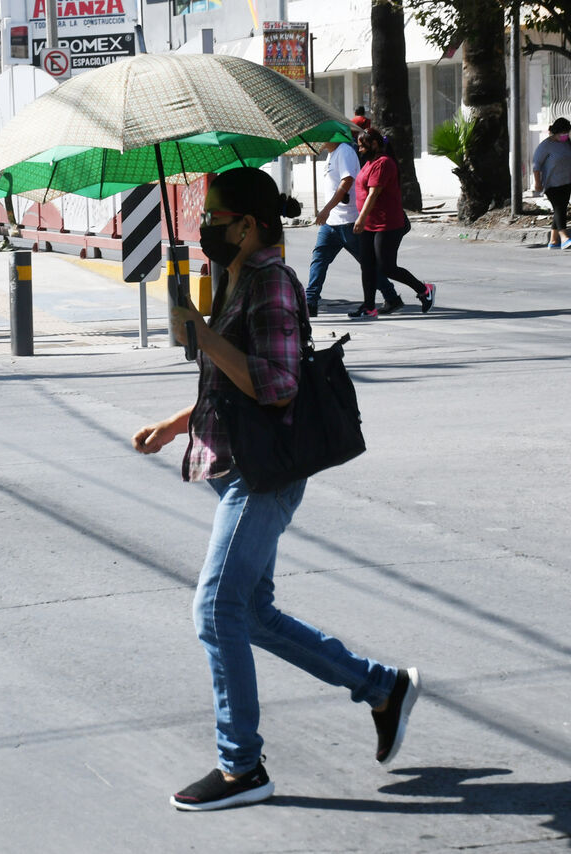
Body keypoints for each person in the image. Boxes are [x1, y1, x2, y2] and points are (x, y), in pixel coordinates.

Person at [131, 167, 420, 812]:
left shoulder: (272, 283)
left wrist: (202, 336)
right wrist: (176, 421)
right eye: (205, 215)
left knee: (215, 611)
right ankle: (382, 688)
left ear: (253, 223)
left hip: (264, 475)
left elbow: (278, 384)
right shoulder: (235, 278)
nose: (207, 226)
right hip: (234, 463)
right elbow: (229, 383)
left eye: (218, 216)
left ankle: (241, 767)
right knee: (251, 614)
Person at [348, 129, 436, 318]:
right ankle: (369, 307)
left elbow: (374, 193)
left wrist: (360, 218)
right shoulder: (369, 163)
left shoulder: (384, 163)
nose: (359, 149)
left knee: (386, 267)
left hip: (387, 224)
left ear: (374, 144)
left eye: (362, 146)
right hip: (370, 224)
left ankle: (424, 290)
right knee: (367, 266)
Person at [304, 140, 363, 317]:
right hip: (332, 223)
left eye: (319, 137)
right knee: (319, 259)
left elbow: (346, 182)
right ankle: (310, 302)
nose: (316, 141)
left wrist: (326, 210)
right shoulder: (331, 154)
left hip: (348, 221)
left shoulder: (344, 151)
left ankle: (391, 296)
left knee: (368, 263)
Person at [532, 118, 571, 249]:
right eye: (563, 133)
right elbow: (536, 165)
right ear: (555, 132)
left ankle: (553, 241)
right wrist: (537, 183)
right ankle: (564, 238)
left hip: (567, 181)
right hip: (551, 184)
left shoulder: (567, 142)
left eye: (567, 133)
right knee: (559, 208)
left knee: (561, 209)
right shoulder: (545, 145)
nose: (565, 135)